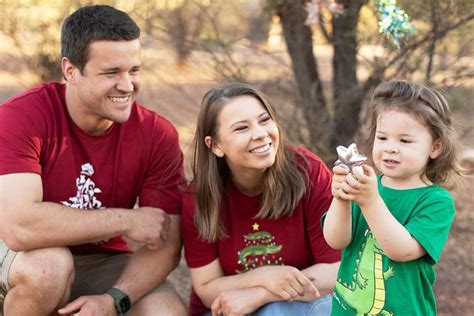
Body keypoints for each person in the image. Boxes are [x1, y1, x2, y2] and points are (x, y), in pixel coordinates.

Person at [0, 5, 187, 316]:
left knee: (165, 310)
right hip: (17, 254)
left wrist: (115, 299)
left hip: (100, 259)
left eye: (134, 70)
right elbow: (19, 228)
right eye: (111, 72)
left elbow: (165, 245)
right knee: (49, 269)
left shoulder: (156, 135)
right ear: (70, 71)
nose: (127, 85)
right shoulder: (21, 118)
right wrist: (126, 220)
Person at [182, 83, 341, 316]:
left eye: (264, 120)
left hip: (305, 305)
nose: (260, 133)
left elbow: (337, 270)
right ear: (215, 145)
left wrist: (264, 293)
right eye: (241, 128)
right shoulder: (199, 196)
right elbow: (206, 288)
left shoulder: (308, 173)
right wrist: (263, 276)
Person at [323, 80, 464, 315]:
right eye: (383, 138)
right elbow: (336, 241)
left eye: (405, 140)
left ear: (435, 147)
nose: (390, 148)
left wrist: (369, 201)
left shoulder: (435, 201)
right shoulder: (366, 187)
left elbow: (401, 250)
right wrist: (341, 198)